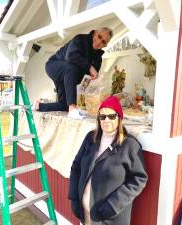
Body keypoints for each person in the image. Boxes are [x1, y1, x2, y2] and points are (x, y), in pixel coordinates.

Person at [68, 95, 148, 225]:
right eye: (102, 116)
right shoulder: (91, 138)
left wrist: (112, 206)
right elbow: (76, 167)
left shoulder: (130, 145)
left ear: (119, 118)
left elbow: (139, 179)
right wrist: (74, 198)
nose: (106, 120)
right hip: (86, 216)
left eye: (111, 116)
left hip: (109, 219)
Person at [35, 27, 113, 119]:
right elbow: (71, 56)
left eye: (103, 42)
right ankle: (72, 107)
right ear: (95, 33)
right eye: (99, 37)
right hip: (54, 66)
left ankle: (38, 106)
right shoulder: (80, 39)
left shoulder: (98, 58)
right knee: (71, 67)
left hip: (68, 77)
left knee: (64, 105)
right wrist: (90, 67)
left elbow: (89, 77)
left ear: (105, 45)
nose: (99, 42)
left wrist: (92, 83)